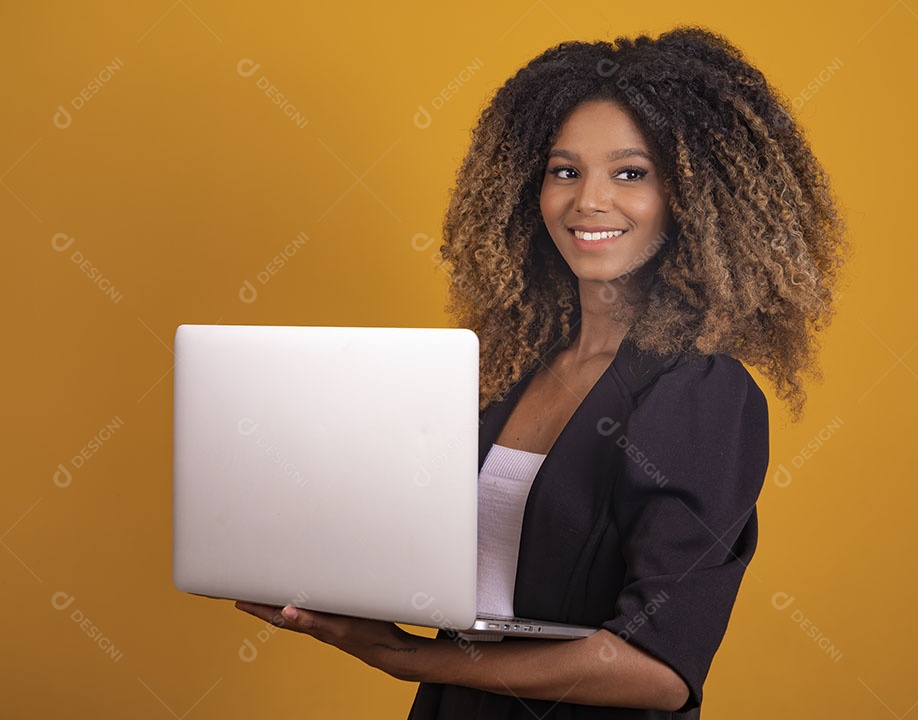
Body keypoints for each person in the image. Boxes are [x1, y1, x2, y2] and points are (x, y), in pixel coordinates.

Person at [237, 26, 845, 719]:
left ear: (694, 199)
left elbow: (660, 669)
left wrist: (398, 655)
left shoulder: (700, 392)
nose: (588, 201)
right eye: (564, 170)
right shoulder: (506, 370)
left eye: (630, 173)